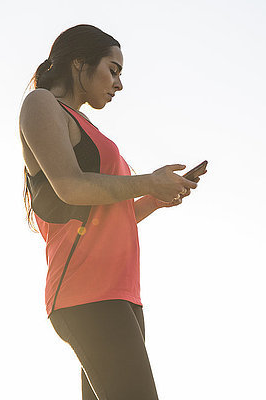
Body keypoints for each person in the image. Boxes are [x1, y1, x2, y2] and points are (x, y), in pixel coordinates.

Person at [19, 24, 207, 400]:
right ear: (79, 63)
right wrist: (147, 183)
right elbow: (69, 187)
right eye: (113, 69)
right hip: (86, 293)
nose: (118, 84)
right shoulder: (41, 103)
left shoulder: (88, 126)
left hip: (120, 294)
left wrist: (154, 198)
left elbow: (103, 214)